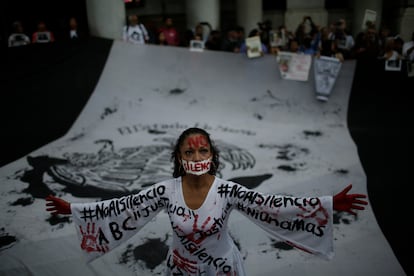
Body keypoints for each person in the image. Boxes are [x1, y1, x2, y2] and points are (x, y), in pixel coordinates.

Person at [45, 127, 368, 275]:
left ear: (212, 155)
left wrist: (325, 205)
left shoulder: (227, 190)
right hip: (180, 269)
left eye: (203, 150)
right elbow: (123, 206)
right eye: (189, 151)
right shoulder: (165, 191)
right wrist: (74, 209)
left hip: (222, 269)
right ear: (179, 157)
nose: (196, 156)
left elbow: (271, 205)